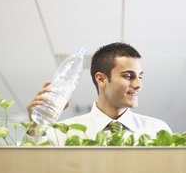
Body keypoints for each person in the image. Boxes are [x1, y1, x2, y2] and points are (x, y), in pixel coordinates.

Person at [27, 42, 172, 145]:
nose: (138, 84)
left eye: (140, 76)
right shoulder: (63, 133)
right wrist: (36, 124)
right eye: (128, 76)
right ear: (101, 79)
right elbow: (34, 168)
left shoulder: (157, 130)